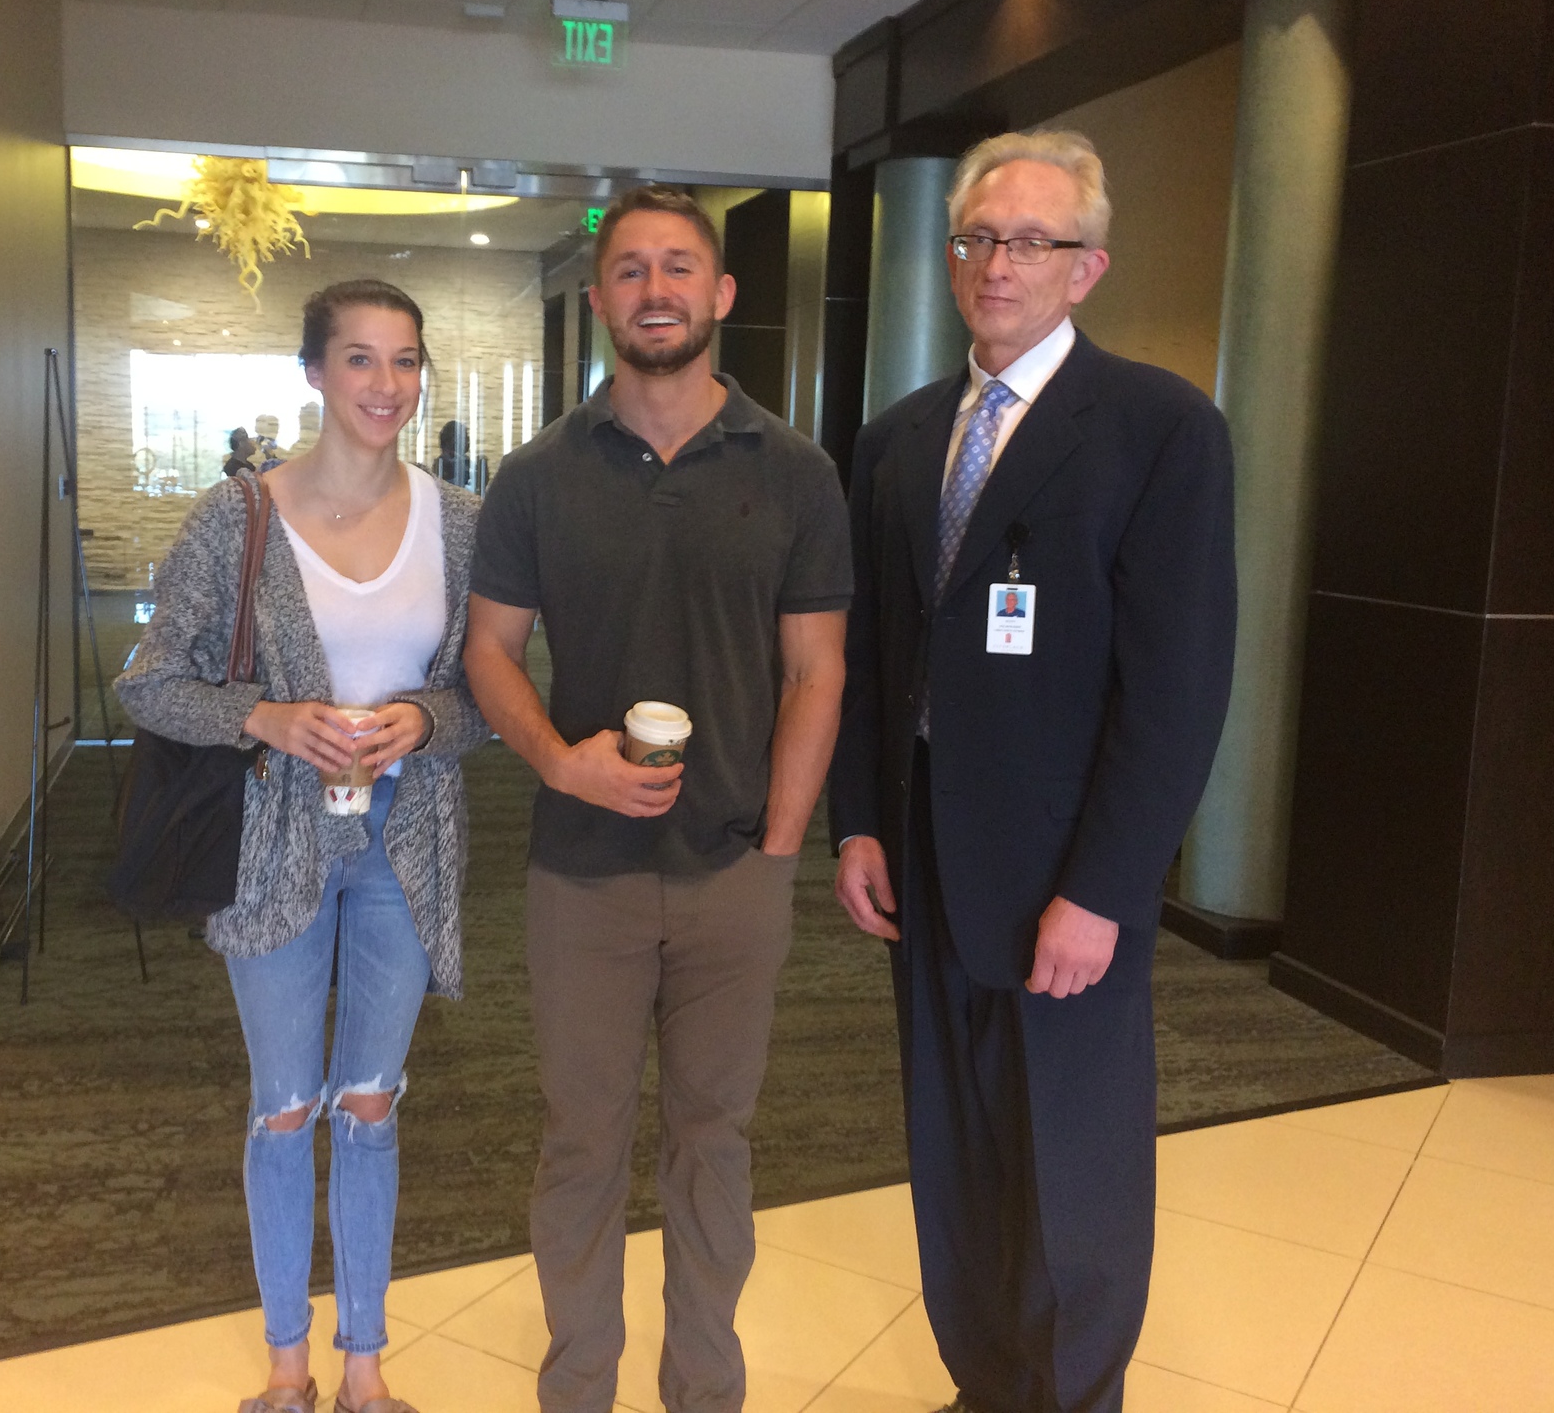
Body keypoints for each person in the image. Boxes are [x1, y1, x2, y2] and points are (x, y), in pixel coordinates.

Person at [829, 130, 1237, 1413]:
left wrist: (1104, 889)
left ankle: (1066, 1397)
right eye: (976, 238)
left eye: (1030, 241)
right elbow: (872, 653)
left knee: (1069, 1158)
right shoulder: (897, 439)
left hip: (1064, 872)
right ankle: (985, 1382)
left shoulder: (1159, 429)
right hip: (921, 855)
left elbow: (1175, 690)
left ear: (1085, 267)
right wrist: (857, 825)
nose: (996, 264)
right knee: (953, 1146)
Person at [465, 185, 852, 1413]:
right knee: (581, 1141)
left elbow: (816, 670)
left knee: (712, 1140)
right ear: (599, 301)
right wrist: (556, 761)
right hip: (580, 874)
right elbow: (487, 652)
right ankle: (577, 1387)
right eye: (629, 270)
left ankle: (704, 1390)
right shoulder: (537, 476)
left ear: (720, 294)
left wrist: (780, 841)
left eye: (678, 267)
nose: (655, 290)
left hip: (734, 869)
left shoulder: (795, 473)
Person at [117, 279, 490, 1413]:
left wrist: (424, 719)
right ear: (315, 373)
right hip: (271, 843)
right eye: (361, 359)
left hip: (406, 840)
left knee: (371, 1102)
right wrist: (268, 718)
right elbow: (148, 682)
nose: (386, 384)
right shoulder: (236, 519)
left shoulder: (460, 522)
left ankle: (365, 1368)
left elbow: (490, 695)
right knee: (283, 1105)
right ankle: (288, 1367)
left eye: (405, 360)